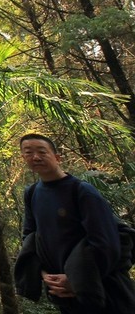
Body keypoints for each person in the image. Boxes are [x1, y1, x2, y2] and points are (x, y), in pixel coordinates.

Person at [14, 133, 135, 313]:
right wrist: (44, 274)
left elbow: (106, 244)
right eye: (28, 152)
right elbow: (30, 238)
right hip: (66, 296)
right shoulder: (32, 193)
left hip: (105, 291)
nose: (35, 157)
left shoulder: (82, 191)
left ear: (57, 157)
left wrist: (78, 281)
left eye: (41, 151)